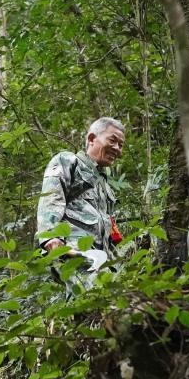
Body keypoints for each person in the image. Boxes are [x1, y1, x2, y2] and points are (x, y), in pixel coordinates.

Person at [36, 117, 127, 289]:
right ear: (92, 139)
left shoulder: (104, 183)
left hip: (102, 259)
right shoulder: (69, 161)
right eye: (113, 141)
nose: (117, 149)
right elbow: (52, 197)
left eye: (121, 145)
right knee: (94, 299)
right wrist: (51, 237)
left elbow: (106, 225)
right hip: (74, 250)